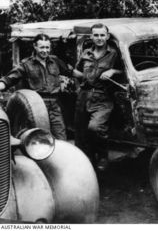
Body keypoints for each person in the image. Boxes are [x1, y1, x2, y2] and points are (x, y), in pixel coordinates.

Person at [0, 33, 82, 140]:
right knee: (41, 138)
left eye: (47, 47)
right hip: (37, 105)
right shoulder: (26, 64)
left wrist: (88, 77)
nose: (45, 50)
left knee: (61, 137)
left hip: (55, 104)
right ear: (35, 46)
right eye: (42, 47)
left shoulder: (55, 61)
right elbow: (10, 79)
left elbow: (70, 71)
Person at [74, 23, 122, 171]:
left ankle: (102, 156)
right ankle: (87, 162)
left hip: (103, 97)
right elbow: (76, 72)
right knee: (81, 133)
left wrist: (113, 71)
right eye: (96, 35)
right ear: (91, 37)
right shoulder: (86, 53)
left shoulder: (114, 54)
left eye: (102, 35)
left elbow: (125, 72)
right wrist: (78, 86)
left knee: (95, 128)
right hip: (83, 97)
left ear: (107, 36)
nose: (99, 38)